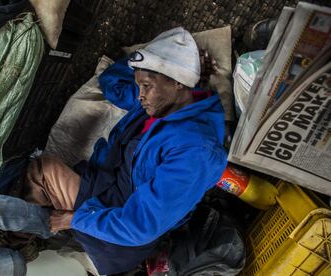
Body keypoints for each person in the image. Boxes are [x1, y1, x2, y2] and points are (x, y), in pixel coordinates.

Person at [17, 26, 227, 275]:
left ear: (177, 83)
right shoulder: (163, 103)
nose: (140, 96)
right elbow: (111, 83)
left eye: (147, 86)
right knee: (42, 172)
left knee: (43, 170)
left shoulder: (196, 152)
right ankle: (35, 230)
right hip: (109, 184)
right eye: (139, 85)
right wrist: (145, 58)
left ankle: (18, 243)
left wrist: (74, 219)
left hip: (119, 230)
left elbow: (139, 225)